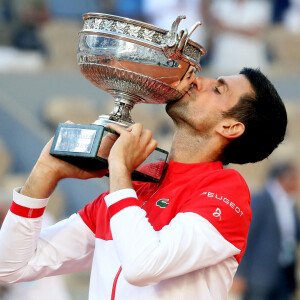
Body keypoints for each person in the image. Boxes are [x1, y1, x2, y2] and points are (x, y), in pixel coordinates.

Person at [0, 67, 287, 300]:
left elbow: (143, 265)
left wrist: (121, 170)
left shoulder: (226, 191)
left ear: (230, 127)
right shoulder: (139, 185)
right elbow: (10, 268)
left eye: (218, 89)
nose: (198, 80)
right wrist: (43, 173)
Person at [234, 162, 300, 300]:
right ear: (283, 178)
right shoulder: (261, 200)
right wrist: (240, 274)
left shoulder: (289, 204)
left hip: (284, 275)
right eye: (294, 177)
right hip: (259, 277)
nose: (297, 182)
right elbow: (246, 237)